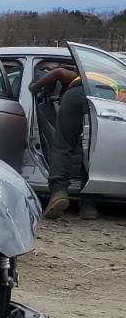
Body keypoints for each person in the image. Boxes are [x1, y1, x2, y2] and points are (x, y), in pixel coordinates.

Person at [29, 63, 98, 220]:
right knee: (92, 150)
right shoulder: (105, 75)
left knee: (63, 145)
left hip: (75, 96)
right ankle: (88, 205)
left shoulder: (77, 75)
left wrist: (35, 87)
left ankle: (59, 192)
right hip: (99, 100)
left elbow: (58, 73)